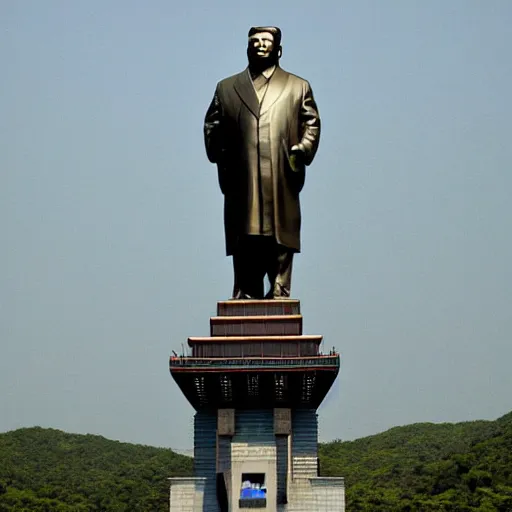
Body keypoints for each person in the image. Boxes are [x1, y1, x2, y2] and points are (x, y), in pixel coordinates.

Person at [204, 26, 321, 299]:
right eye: (254, 41)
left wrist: (302, 149)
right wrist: (222, 153)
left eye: (266, 41)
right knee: (245, 231)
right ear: (246, 48)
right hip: (242, 176)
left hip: (281, 173)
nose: (259, 45)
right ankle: (245, 288)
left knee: (280, 233)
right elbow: (212, 126)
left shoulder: (296, 86)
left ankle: (280, 286)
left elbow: (311, 123)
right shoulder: (227, 88)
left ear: (278, 50)